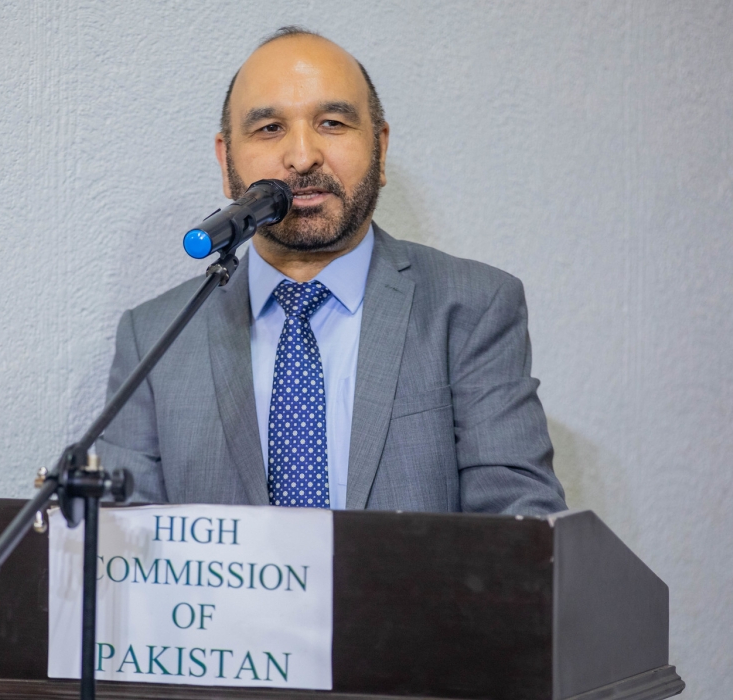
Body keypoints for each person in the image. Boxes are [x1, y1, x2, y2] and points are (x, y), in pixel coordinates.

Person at [96, 27, 566, 515]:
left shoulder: (473, 307)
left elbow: (519, 527)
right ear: (225, 159)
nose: (302, 158)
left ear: (379, 148)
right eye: (269, 128)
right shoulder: (154, 337)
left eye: (333, 123)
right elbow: (117, 539)